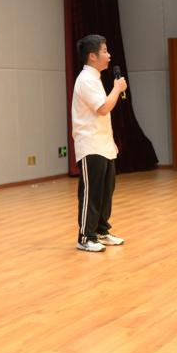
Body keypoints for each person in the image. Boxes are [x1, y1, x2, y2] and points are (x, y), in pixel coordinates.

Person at [71, 34, 127, 253]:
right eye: (104, 51)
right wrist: (117, 88)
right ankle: (85, 236)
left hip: (103, 145)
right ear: (92, 56)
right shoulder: (85, 79)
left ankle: (101, 231)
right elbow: (103, 108)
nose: (109, 55)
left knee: (105, 191)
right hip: (90, 145)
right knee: (92, 193)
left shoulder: (94, 78)